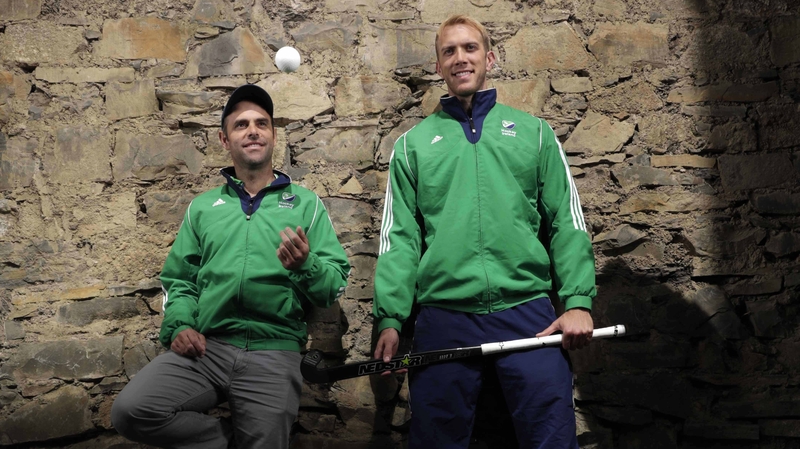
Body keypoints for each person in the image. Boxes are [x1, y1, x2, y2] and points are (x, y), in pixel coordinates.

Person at [372, 15, 597, 449]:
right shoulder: (412, 146)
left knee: (551, 438)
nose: (460, 58)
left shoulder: (535, 134)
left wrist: (577, 302)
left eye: (470, 48)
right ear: (439, 66)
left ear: (489, 59)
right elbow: (399, 238)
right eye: (449, 51)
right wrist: (391, 319)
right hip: (444, 317)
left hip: (528, 312)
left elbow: (567, 223)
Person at [111, 84, 350, 449]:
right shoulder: (204, 208)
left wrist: (306, 265)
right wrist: (179, 326)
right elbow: (179, 280)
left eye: (261, 123)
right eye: (241, 125)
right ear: (225, 139)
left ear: (273, 136)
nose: (253, 130)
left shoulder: (306, 204)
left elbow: (332, 286)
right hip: (208, 349)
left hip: (274, 351)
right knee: (132, 411)